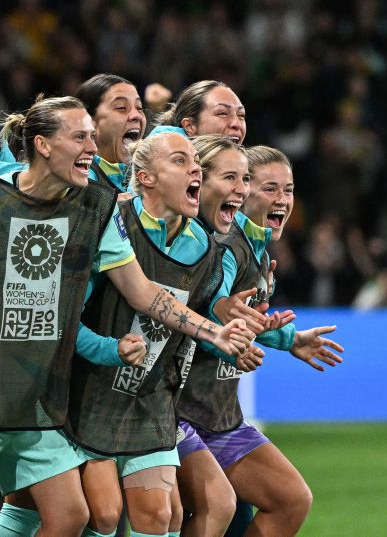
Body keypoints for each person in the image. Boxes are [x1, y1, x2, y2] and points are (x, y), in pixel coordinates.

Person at [0, 97, 251, 535]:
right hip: (47, 389)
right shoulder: (4, 196)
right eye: (80, 137)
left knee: (74, 515)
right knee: (83, 512)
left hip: (38, 393)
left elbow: (143, 293)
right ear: (41, 144)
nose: (93, 150)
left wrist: (215, 331)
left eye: (93, 138)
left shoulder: (98, 210)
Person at [176, 138, 342, 536]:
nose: (282, 198)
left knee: (291, 500)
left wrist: (287, 338)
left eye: (288, 189)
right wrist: (231, 342)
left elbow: (245, 316)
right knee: (215, 508)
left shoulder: (259, 251)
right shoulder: (226, 246)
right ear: (244, 193)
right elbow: (215, 310)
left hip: (220, 415)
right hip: (184, 415)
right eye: (269, 188)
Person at [74, 73, 146, 193]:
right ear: (89, 122)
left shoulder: (150, 177)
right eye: (121, 107)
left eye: (139, 108)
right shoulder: (72, 182)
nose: (137, 115)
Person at [153, 80, 246, 144]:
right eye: (222, 113)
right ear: (190, 126)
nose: (237, 124)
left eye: (241, 115)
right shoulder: (164, 168)